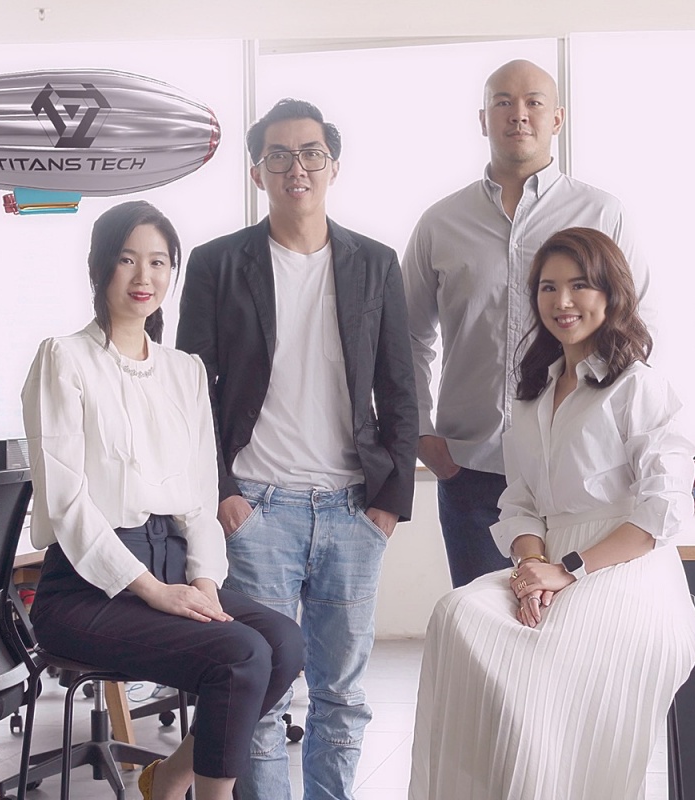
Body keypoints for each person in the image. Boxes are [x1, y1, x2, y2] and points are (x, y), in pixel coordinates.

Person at [176, 99, 418, 800]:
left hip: (352, 510)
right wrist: (224, 495)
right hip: (257, 508)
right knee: (261, 694)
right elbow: (190, 393)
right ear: (258, 172)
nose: (296, 168)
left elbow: (400, 386)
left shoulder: (375, 263)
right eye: (278, 155)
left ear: (333, 166)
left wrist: (388, 506)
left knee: (342, 695)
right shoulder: (218, 263)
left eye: (311, 153)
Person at [21, 201, 305, 800]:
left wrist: (203, 584)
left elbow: (200, 497)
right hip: (88, 590)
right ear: (99, 267)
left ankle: (170, 777)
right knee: (240, 655)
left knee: (283, 643)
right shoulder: (64, 358)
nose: (143, 277)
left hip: (174, 569)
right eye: (127, 260)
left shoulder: (185, 370)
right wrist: (153, 591)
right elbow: (68, 504)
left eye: (158, 262)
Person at [408, 227, 695, 800]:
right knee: (456, 614)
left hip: (627, 571)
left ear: (611, 293)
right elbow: (520, 502)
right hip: (548, 565)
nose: (562, 301)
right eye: (548, 287)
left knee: (538, 667)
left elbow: (662, 508)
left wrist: (568, 570)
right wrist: (530, 572)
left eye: (580, 285)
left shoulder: (637, 387)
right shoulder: (532, 396)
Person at [403, 58, 651, 588]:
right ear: (482, 119)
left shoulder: (602, 213)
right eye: (503, 102)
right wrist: (421, 431)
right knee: (483, 621)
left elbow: (637, 323)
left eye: (534, 102)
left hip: (580, 470)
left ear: (557, 117)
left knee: (572, 618)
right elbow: (408, 336)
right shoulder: (439, 223)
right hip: (470, 467)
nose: (518, 114)